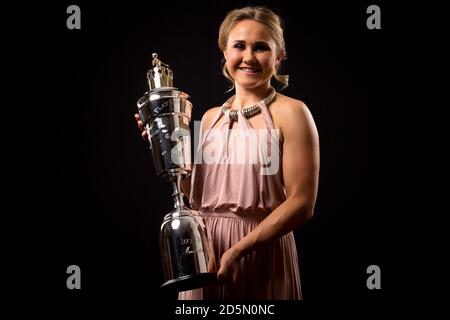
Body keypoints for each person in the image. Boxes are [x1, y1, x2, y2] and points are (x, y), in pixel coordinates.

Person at [135, 6, 319, 300]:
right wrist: (162, 148)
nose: (248, 57)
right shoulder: (209, 118)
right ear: (224, 52)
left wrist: (239, 250)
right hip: (204, 256)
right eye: (239, 46)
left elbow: (302, 203)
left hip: (261, 255)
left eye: (261, 47)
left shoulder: (293, 113)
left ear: (279, 56)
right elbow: (193, 194)